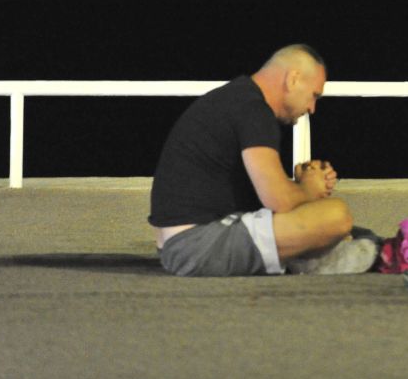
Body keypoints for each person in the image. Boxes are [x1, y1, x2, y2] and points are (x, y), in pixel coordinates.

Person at [148, 44, 377, 277]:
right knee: (336, 215)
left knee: (352, 230)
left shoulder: (238, 99)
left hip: (187, 242)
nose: (312, 108)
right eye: (314, 95)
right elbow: (278, 200)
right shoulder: (253, 111)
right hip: (195, 246)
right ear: (293, 79)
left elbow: (266, 198)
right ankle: (308, 261)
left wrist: (303, 187)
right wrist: (310, 188)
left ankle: (304, 257)